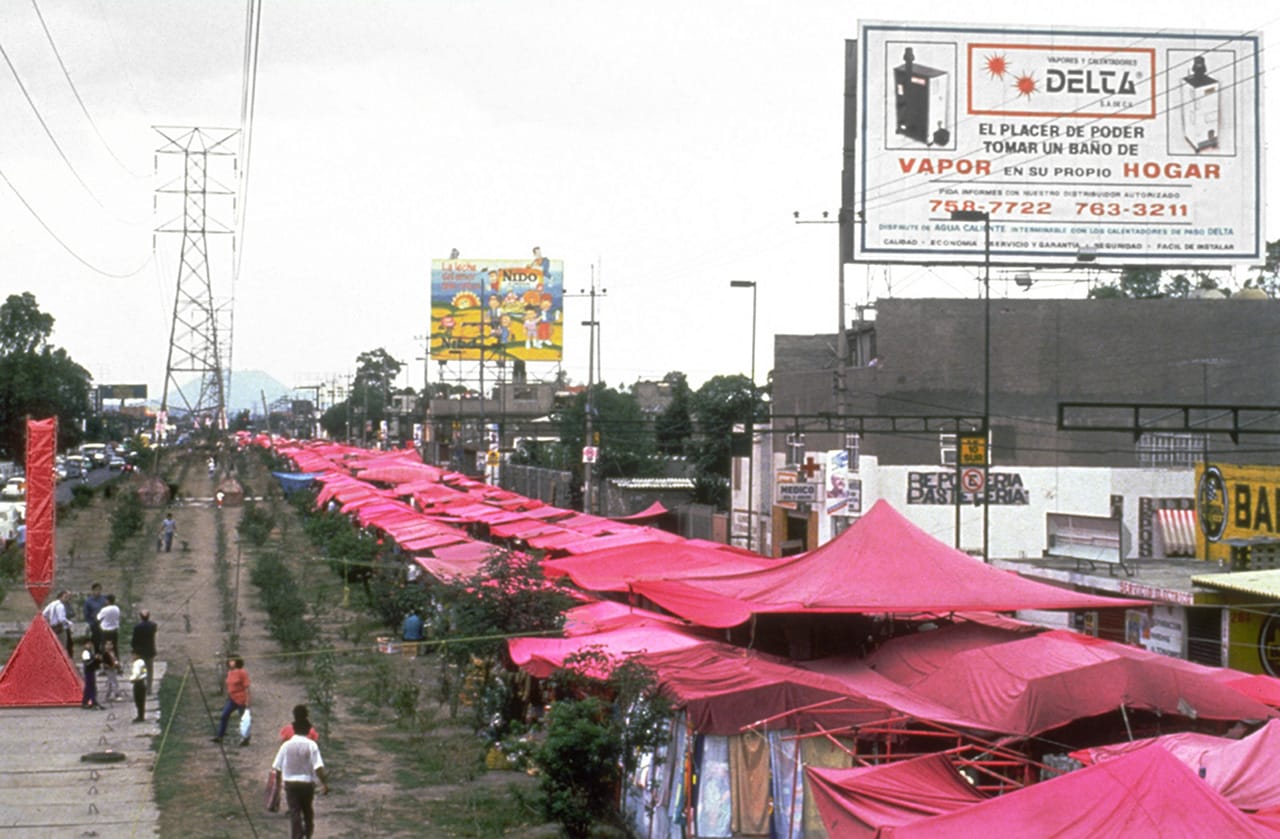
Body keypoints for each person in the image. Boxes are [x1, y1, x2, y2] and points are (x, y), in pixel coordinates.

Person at [272, 705, 330, 839]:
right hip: (307, 784)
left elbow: (277, 767)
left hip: (290, 784)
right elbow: (318, 767)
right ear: (308, 730)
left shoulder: (286, 746)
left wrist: (278, 786)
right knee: (308, 811)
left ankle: (296, 836)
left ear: (295, 729)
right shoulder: (311, 745)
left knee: (294, 812)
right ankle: (308, 834)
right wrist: (324, 783)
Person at [213, 656, 251, 746]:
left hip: (241, 699)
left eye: (233, 660)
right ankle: (220, 736)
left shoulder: (242, 672)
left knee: (243, 720)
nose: (230, 662)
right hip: (232, 699)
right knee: (224, 716)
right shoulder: (229, 672)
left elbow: (247, 688)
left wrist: (248, 701)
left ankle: (245, 738)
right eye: (229, 660)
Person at [130, 609, 158, 694]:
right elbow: (155, 628)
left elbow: (134, 641)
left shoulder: (137, 627)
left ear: (140, 617)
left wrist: (134, 650)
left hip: (140, 652)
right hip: (150, 651)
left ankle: (141, 687)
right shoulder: (153, 625)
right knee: (149, 670)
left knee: (141, 670)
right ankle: (149, 688)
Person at [42, 590, 74, 658]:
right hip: (60, 628)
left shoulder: (52, 604)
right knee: (62, 647)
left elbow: (44, 613)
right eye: (65, 597)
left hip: (52, 627)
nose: (67, 598)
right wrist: (69, 623)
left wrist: (48, 621)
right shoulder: (60, 606)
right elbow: (61, 619)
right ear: (61, 597)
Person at [84, 583, 108, 650]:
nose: (98, 592)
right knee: (96, 642)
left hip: (104, 624)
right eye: (96, 590)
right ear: (93, 591)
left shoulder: (104, 599)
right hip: (94, 624)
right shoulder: (88, 601)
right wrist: (91, 623)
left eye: (99, 590)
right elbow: (86, 614)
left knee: (104, 641)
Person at [80, 641, 103, 710]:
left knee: (92, 687)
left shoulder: (90, 652)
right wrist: (95, 659)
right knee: (89, 687)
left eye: (90, 644)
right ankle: (87, 702)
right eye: (88, 644)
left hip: (91, 671)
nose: (89, 646)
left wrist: (98, 660)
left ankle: (92, 701)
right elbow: (87, 663)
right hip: (88, 671)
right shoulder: (85, 652)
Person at [129, 655, 149, 722]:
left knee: (138, 700)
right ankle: (141, 715)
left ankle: (140, 716)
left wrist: (131, 679)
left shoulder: (136, 663)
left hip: (138, 683)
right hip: (143, 682)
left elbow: (136, 674)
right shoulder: (143, 662)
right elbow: (144, 671)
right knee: (142, 701)